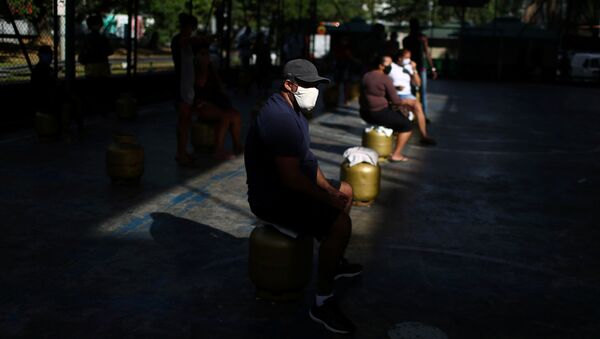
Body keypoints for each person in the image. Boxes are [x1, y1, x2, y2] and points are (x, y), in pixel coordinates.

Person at [244, 59, 362, 335]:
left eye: (316, 85)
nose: (314, 91)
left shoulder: (294, 111)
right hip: (272, 197)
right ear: (289, 84)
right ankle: (322, 303)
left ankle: (335, 259)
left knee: (346, 190)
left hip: (291, 185)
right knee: (341, 225)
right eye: (308, 85)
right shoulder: (278, 118)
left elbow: (308, 162)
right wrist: (325, 199)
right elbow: (290, 177)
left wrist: (331, 190)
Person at [194, 44, 243, 159]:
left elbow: (220, 86)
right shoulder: (195, 68)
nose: (206, 56)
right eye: (202, 54)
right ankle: (218, 150)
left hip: (216, 103)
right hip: (201, 104)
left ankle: (237, 145)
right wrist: (204, 66)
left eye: (207, 53)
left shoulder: (211, 68)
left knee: (236, 115)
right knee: (225, 116)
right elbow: (200, 85)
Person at [359, 55, 413, 162]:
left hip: (364, 112)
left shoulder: (366, 75)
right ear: (380, 65)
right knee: (407, 125)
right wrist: (407, 101)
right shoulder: (384, 78)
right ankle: (396, 154)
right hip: (378, 113)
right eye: (388, 64)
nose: (390, 66)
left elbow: (373, 89)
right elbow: (396, 101)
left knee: (396, 118)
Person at [171, 13, 203, 166]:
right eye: (190, 27)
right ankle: (181, 153)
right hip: (181, 86)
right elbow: (186, 41)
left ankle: (182, 151)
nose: (191, 30)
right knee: (183, 121)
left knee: (186, 121)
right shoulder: (179, 40)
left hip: (188, 86)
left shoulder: (189, 44)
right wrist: (202, 39)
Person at [388, 49, 436, 146]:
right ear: (399, 58)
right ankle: (422, 135)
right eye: (406, 58)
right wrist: (394, 87)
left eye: (409, 58)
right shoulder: (391, 67)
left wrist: (413, 70)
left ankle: (424, 135)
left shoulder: (409, 67)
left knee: (418, 106)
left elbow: (418, 83)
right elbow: (384, 82)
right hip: (395, 94)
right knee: (416, 105)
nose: (408, 60)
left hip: (407, 94)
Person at [402, 18, 437, 121]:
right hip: (418, 68)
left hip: (413, 67)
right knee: (422, 93)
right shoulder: (421, 38)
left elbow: (425, 53)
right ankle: (421, 116)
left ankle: (414, 116)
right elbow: (427, 53)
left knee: (412, 92)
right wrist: (433, 68)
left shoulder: (408, 39)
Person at [31, 46, 57, 116]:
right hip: (44, 102)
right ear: (42, 56)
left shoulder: (47, 69)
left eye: (51, 55)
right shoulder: (40, 70)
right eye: (49, 55)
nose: (51, 57)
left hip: (45, 101)